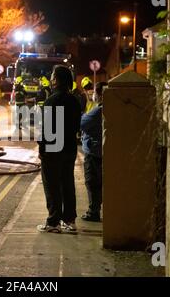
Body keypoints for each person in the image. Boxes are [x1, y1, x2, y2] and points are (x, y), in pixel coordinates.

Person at [37, 65, 82, 233]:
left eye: (52, 76)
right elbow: (77, 126)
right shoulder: (75, 101)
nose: (51, 78)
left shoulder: (51, 101)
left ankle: (53, 222)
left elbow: (47, 130)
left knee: (52, 186)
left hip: (53, 150)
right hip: (69, 149)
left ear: (56, 80)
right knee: (67, 184)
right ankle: (70, 221)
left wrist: (42, 149)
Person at [80, 82, 106, 222]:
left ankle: (93, 212)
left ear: (101, 94)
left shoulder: (99, 110)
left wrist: (84, 115)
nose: (93, 94)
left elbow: (82, 123)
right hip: (101, 150)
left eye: (96, 91)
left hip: (94, 152)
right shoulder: (108, 108)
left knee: (92, 182)